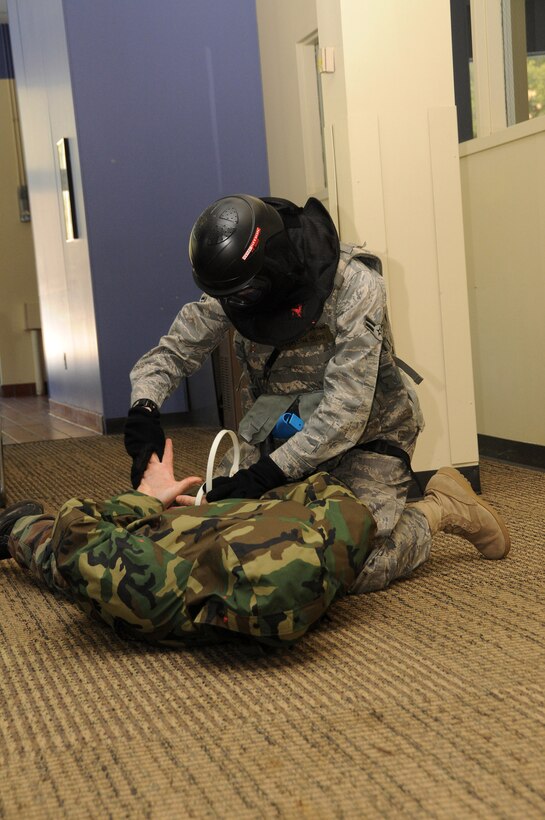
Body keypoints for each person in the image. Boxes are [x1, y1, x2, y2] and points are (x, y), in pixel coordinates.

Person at [124, 194, 510, 595]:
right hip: (280, 433)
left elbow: (346, 412)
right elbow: (171, 353)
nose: (234, 305)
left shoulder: (354, 285)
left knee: (345, 566)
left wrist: (262, 477)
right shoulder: (238, 286)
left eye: (242, 294)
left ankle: (440, 509)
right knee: (217, 542)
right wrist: (144, 412)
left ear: (271, 263)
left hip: (367, 438)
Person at [0, 440, 376, 648]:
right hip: (223, 517)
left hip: (145, 543)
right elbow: (332, 491)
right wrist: (250, 497)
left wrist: (149, 496)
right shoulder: (333, 545)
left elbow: (75, 531)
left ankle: (16, 528)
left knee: (56, 558)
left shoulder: (162, 596)